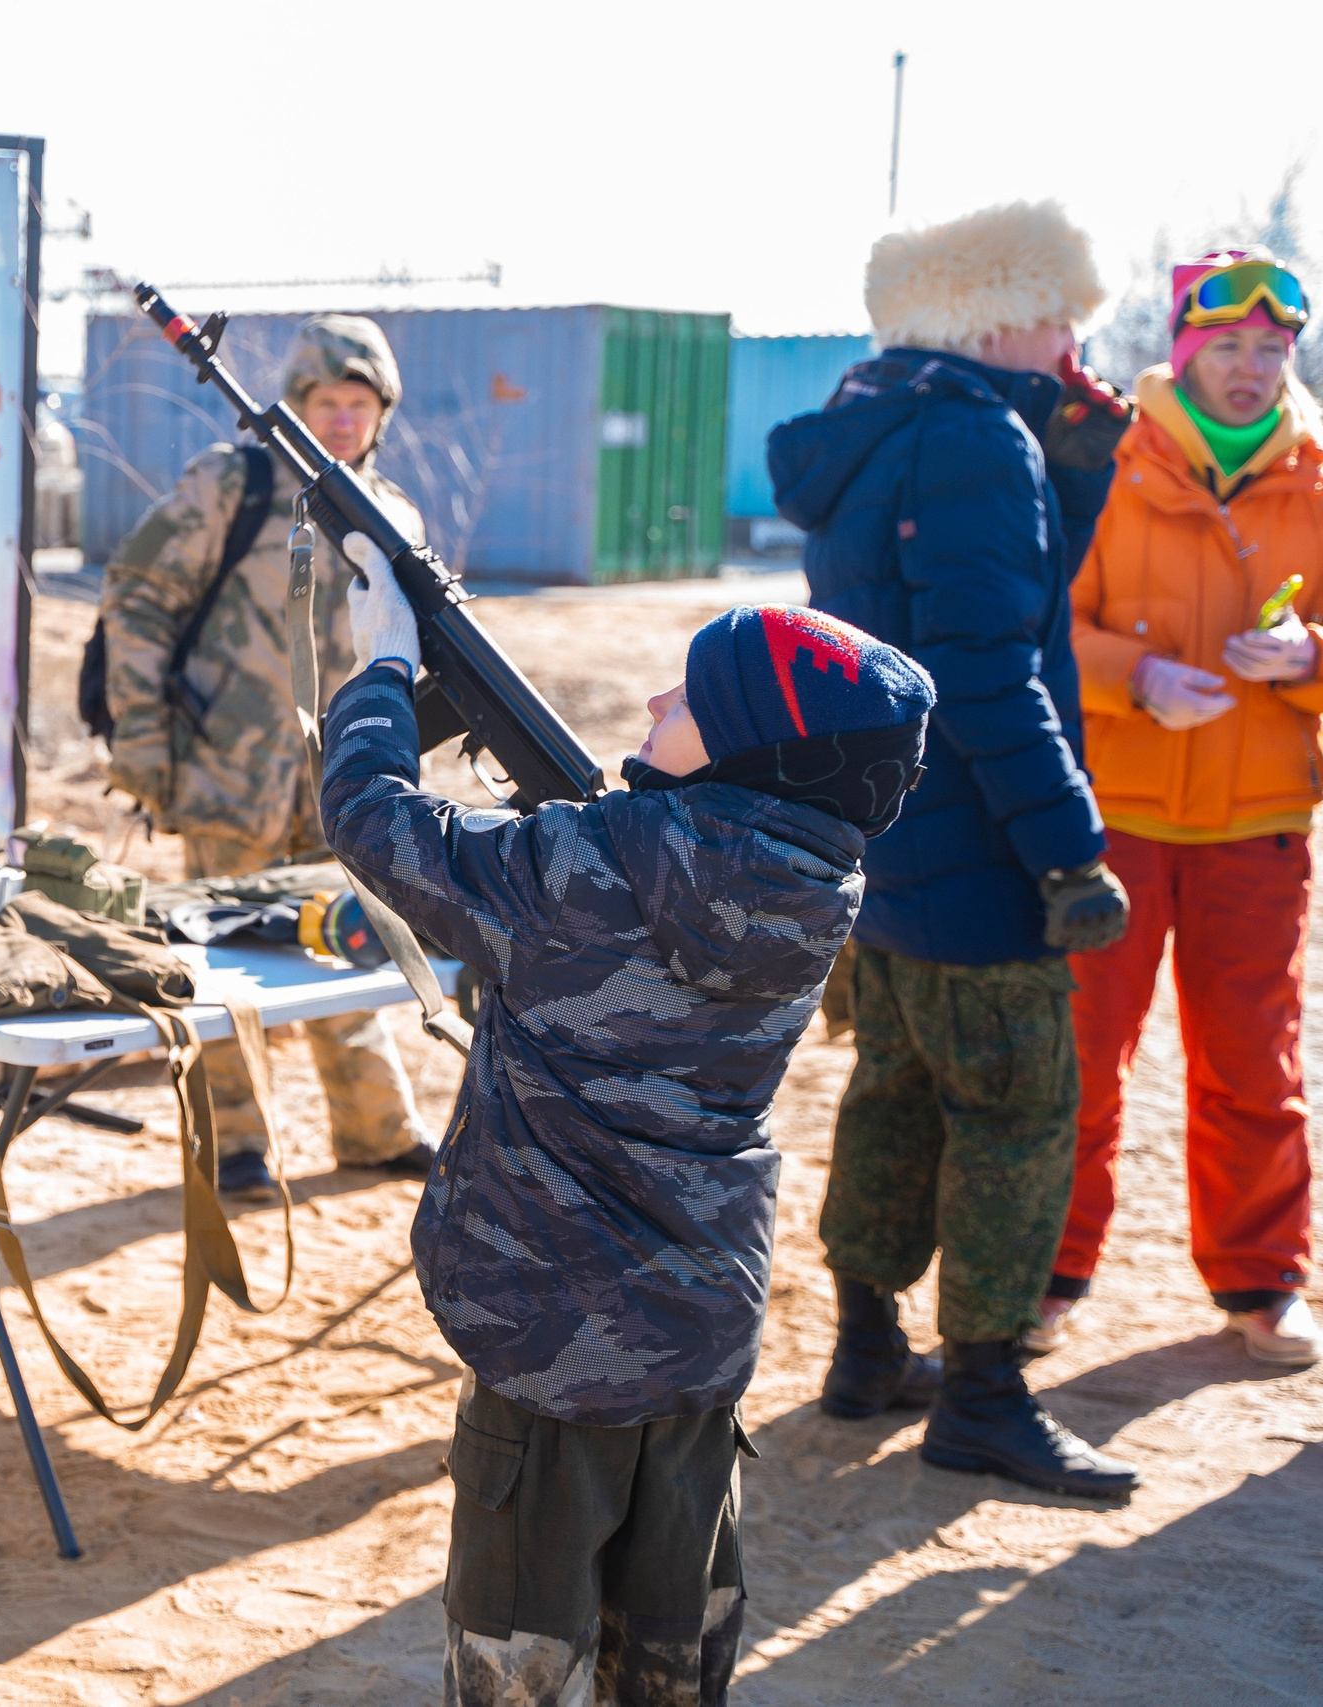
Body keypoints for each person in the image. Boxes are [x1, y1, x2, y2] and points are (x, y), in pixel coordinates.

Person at [322, 558, 934, 1707]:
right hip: (695, 1342)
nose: (656, 701)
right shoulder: (817, 882)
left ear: (754, 748)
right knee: (671, 1660)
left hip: (548, 1343)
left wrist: (383, 666)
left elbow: (369, 815)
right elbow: (679, 853)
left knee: (520, 1668)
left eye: (691, 698)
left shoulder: (583, 867)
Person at [769, 200, 1144, 1501]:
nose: (1071, 344)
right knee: (1016, 1114)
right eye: (1057, 318)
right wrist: (1069, 851)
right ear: (993, 321)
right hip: (980, 846)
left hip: (885, 832)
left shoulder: (874, 421)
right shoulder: (977, 440)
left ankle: (866, 1346)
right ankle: (984, 1394)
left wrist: (1073, 475)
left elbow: (987, 609)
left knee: (895, 1088)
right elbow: (990, 667)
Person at [1045, 248, 1322, 1367]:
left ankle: (1262, 1280)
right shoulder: (1103, 460)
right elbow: (1045, 630)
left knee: (1255, 1065)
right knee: (1076, 1059)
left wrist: (1308, 659)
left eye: (1272, 347)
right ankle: (1047, 1271)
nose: (1252, 367)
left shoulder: (1318, 473)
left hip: (1258, 825)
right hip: (1110, 817)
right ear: (1186, 350)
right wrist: (1137, 677)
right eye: (1230, 345)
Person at [100, 315, 438, 1195]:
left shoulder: (393, 514)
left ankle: (376, 1128)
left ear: (383, 412)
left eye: (360, 404)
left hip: (344, 785)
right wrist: (144, 743)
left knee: (351, 942)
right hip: (229, 773)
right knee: (224, 964)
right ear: (296, 402)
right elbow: (138, 596)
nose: (343, 419)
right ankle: (235, 1144)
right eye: (327, 401)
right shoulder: (233, 484)